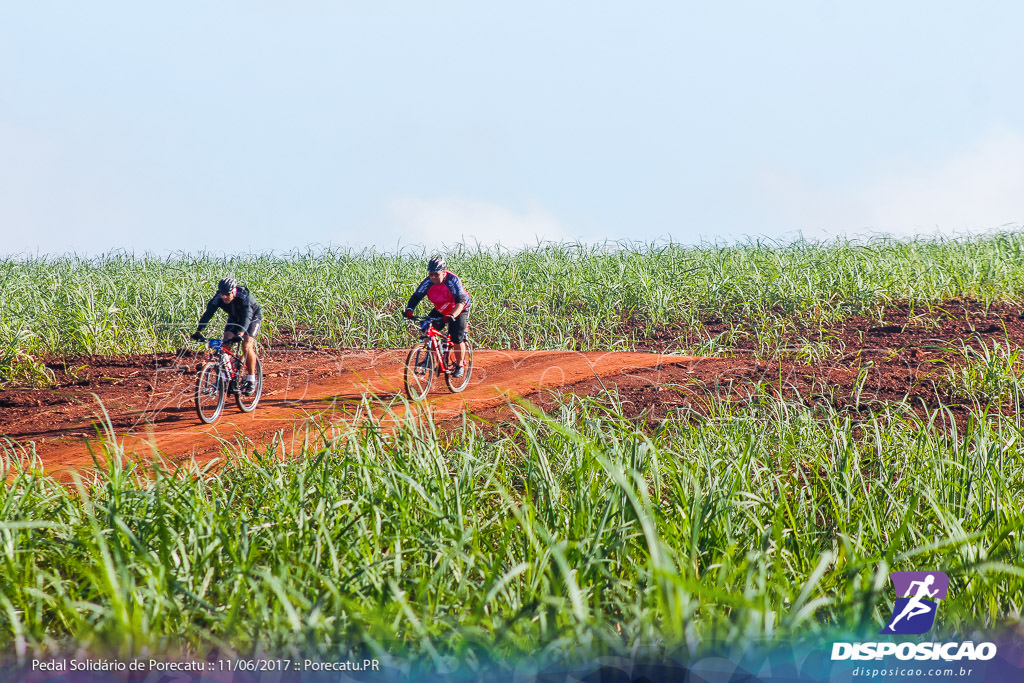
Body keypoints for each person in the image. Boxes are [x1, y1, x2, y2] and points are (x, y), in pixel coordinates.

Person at [191, 277, 262, 394]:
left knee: (246, 346)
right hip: (234, 318)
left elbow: (247, 317)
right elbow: (208, 313)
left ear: (234, 291)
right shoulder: (218, 297)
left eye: (227, 294)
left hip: (252, 318)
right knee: (224, 346)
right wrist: (198, 331)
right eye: (222, 294)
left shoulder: (245, 298)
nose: (224, 297)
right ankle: (224, 379)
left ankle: (251, 379)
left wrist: (240, 333)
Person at [403, 256, 472, 378]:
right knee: (426, 328)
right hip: (441, 308)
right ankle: (430, 358)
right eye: (431, 274)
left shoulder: (453, 280)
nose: (433, 277)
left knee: (457, 336)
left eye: (436, 274)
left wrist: (452, 315)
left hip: (459, 308)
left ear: (444, 272)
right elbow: (416, 296)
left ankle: (460, 364)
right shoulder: (428, 282)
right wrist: (409, 310)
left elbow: (460, 301)